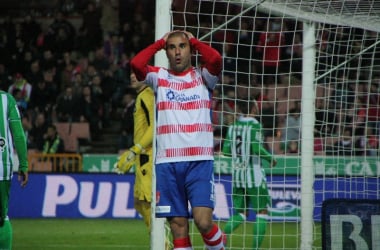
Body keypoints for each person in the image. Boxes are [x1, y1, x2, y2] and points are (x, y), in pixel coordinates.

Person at [130, 30, 224, 250]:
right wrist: (159, 43)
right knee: (178, 225)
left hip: (199, 161)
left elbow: (216, 59)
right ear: (167, 51)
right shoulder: (158, 77)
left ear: (190, 49)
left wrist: (194, 41)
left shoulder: (204, 77)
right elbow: (136, 64)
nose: (177, 52)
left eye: (182, 46)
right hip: (167, 164)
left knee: (203, 221)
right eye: (172, 47)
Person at [222, 99, 277, 249]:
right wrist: (270, 158)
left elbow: (226, 152)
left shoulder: (233, 127)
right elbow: (256, 148)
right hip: (255, 176)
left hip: (238, 176)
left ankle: (219, 244)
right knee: (262, 212)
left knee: (241, 213)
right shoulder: (255, 125)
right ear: (253, 109)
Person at [114, 72, 154, 229]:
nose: (132, 76)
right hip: (142, 155)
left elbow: (154, 127)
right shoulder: (142, 96)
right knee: (138, 202)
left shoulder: (148, 95)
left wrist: (135, 150)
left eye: (137, 74)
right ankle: (160, 240)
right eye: (131, 73)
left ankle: (163, 244)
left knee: (147, 202)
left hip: (147, 155)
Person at [0, 90, 28, 249]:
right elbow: (18, 134)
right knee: (1, 216)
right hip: (2, 167)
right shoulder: (6, 100)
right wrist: (23, 164)